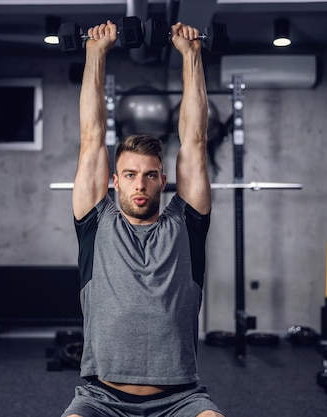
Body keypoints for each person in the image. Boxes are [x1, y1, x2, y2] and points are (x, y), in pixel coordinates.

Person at [64, 18, 224, 417]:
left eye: (150, 175)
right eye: (131, 175)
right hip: (100, 398)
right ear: (115, 181)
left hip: (181, 398)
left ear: (163, 181)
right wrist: (95, 54)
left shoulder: (184, 225)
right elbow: (91, 137)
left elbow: (195, 140)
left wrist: (191, 56)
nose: (141, 184)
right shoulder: (96, 223)